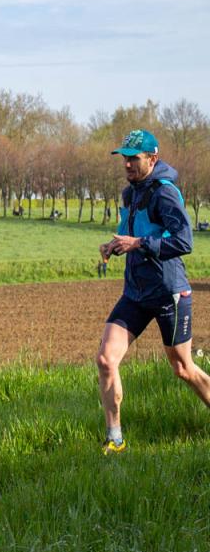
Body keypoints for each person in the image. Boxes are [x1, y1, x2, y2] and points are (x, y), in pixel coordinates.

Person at [97, 129, 210, 454]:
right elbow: (130, 235)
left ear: (153, 158)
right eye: (124, 158)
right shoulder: (129, 195)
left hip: (168, 293)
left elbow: (184, 241)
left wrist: (140, 243)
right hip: (135, 293)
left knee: (183, 369)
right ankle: (114, 438)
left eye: (134, 158)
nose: (128, 165)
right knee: (106, 359)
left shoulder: (165, 193)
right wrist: (115, 244)